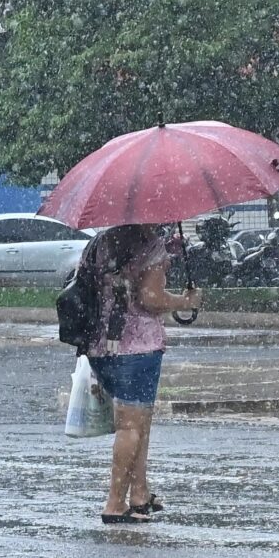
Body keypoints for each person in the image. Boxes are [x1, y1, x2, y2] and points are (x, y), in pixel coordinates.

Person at [82, 224, 198, 525]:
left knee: (139, 423)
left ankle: (140, 494)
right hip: (138, 348)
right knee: (131, 426)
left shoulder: (101, 242)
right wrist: (185, 302)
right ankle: (115, 503)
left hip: (100, 345)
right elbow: (150, 299)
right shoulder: (150, 244)